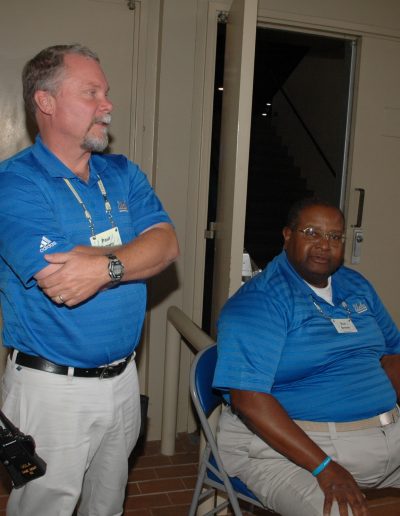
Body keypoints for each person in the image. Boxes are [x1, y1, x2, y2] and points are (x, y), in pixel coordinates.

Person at [0, 44, 179, 516]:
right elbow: (60, 280)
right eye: (91, 93)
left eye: (106, 92)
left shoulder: (122, 172)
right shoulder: (14, 183)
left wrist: (102, 266)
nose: (107, 105)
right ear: (46, 101)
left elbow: (167, 245)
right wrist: (132, 253)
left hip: (123, 379)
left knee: (108, 505)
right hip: (52, 389)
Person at [213, 198, 400, 516]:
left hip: (385, 438)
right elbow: (248, 399)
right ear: (288, 235)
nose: (324, 245)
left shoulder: (356, 285)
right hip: (293, 453)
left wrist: (375, 404)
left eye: (334, 236)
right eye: (312, 232)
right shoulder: (260, 300)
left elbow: (393, 352)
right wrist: (325, 467)